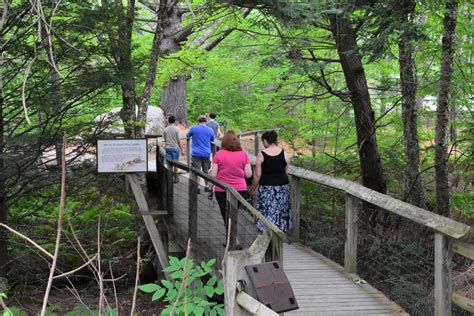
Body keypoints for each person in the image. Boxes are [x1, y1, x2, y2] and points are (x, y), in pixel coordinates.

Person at [211, 131, 252, 249]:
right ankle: (232, 239)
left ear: (224, 141)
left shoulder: (219, 154)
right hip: (239, 189)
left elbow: (213, 175)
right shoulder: (243, 154)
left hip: (222, 189)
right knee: (233, 213)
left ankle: (233, 240)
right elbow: (248, 174)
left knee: (226, 214)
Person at [250, 130, 292, 233]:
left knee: (267, 210)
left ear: (265, 141)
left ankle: (266, 232)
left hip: (267, 188)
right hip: (283, 187)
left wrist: (252, 189)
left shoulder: (261, 155)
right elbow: (286, 172)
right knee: (281, 210)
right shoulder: (284, 153)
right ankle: (280, 231)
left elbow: (258, 175)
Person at [186, 115, 215, 190]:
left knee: (197, 170)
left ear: (198, 121)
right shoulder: (210, 129)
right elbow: (213, 139)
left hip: (196, 153)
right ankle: (206, 186)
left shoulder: (194, 128)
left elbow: (187, 135)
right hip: (206, 153)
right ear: (206, 121)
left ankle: (198, 187)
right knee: (206, 170)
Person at [163, 115, 184, 183]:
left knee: (169, 164)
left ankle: (169, 178)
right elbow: (179, 141)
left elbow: (165, 139)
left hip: (168, 148)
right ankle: (176, 178)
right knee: (175, 164)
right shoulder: (177, 129)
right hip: (175, 148)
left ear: (168, 121)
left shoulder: (165, 129)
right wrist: (182, 150)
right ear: (174, 121)